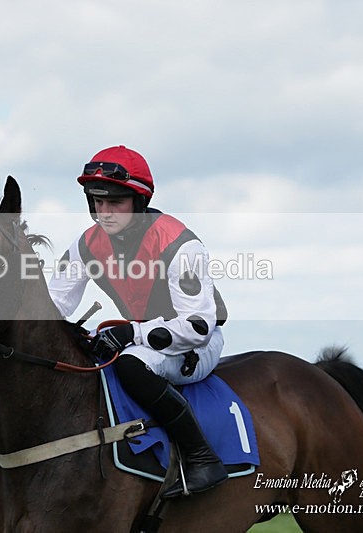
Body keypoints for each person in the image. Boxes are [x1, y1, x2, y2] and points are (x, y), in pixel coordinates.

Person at [48, 145, 228, 498]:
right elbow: (51, 305)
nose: (104, 212)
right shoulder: (86, 244)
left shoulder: (178, 242)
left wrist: (131, 331)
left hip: (194, 342)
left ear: (139, 201)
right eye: (97, 202)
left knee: (130, 366)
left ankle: (203, 459)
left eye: (115, 202)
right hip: (144, 338)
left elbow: (197, 326)